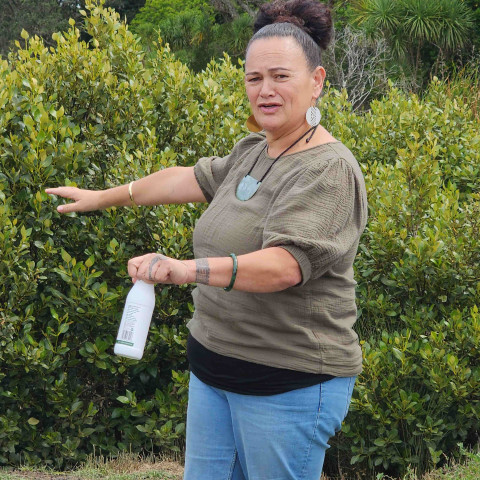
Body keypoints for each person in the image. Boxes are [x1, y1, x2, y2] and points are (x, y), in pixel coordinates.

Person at [46, 0, 368, 478]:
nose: (265, 91)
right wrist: (100, 197)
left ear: (317, 81)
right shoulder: (256, 150)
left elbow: (284, 265)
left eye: (281, 77)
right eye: (254, 78)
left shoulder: (329, 170)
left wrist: (185, 270)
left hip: (287, 382)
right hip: (214, 370)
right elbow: (185, 179)